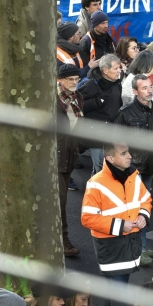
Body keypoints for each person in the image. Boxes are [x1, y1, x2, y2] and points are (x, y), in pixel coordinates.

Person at [81, 142, 151, 306]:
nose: (130, 156)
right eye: (124, 153)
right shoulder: (96, 183)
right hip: (111, 247)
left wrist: (143, 216)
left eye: (128, 151)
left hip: (129, 245)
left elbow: (146, 200)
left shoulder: (133, 175)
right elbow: (87, 218)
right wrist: (120, 225)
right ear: (110, 159)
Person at [115, 74, 153, 266]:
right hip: (133, 169)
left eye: (150, 87)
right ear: (135, 91)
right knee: (133, 210)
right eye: (144, 88)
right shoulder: (125, 112)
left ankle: (140, 247)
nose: (149, 90)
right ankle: (136, 250)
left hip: (151, 166)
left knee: (143, 208)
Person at [77, 54, 122, 174]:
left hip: (110, 133)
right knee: (101, 169)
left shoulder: (116, 83)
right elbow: (77, 104)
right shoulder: (91, 85)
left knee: (102, 169)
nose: (119, 71)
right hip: (96, 134)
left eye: (119, 68)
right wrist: (97, 101)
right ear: (105, 71)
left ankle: (94, 191)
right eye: (116, 68)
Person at [56, 64, 83, 257]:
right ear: (60, 80)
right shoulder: (52, 100)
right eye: (70, 79)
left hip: (68, 157)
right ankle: (62, 241)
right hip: (54, 158)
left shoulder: (77, 98)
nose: (74, 83)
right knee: (60, 202)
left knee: (59, 202)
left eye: (76, 79)